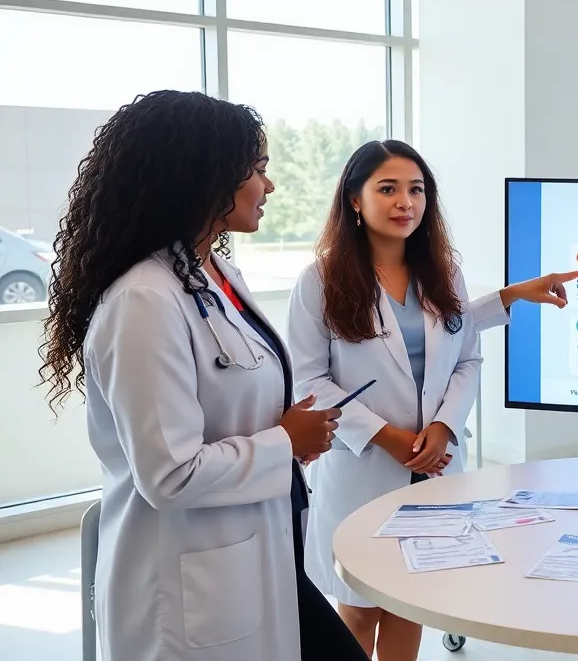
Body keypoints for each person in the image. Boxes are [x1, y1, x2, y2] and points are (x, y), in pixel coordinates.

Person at [39, 90, 367, 660]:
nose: (270, 187)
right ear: (204, 176)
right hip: (193, 585)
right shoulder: (143, 299)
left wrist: (286, 435)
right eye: (259, 170)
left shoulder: (210, 272)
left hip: (259, 551)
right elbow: (169, 475)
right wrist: (284, 442)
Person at [288, 139, 578, 660]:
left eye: (416, 189)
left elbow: (464, 354)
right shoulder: (320, 280)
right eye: (388, 189)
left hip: (434, 463)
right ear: (355, 201)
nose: (405, 202)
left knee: (412, 597)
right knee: (359, 604)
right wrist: (386, 436)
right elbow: (309, 380)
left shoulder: (442, 270)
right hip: (363, 466)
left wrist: (446, 427)